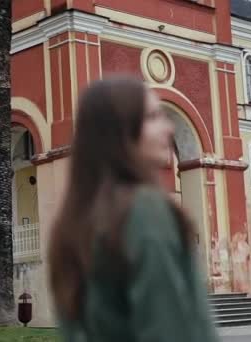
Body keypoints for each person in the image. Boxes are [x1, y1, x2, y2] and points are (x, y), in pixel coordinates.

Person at [48, 77, 219, 342]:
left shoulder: (71, 225)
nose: (169, 127)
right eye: (152, 117)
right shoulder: (145, 212)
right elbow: (169, 331)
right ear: (119, 132)